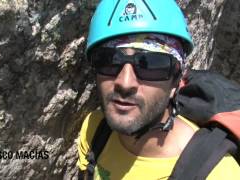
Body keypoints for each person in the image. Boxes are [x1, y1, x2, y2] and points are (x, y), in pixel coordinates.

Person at [77, 0, 240, 179]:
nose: (125, 83)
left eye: (151, 65)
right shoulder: (95, 130)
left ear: (175, 82)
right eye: (109, 60)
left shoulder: (218, 174)